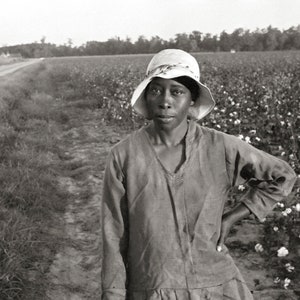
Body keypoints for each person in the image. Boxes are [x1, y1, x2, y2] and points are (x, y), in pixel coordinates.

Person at [101, 49, 296, 300]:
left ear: (192, 99)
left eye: (177, 91)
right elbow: (113, 233)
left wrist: (231, 217)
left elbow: (281, 176)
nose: (165, 101)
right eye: (156, 89)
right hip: (152, 284)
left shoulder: (221, 147)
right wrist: (113, 293)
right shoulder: (124, 156)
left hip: (215, 283)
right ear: (146, 96)